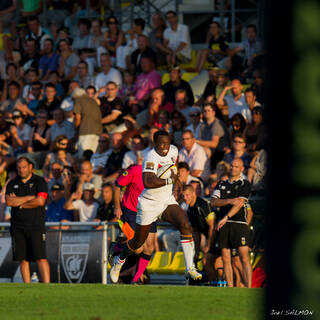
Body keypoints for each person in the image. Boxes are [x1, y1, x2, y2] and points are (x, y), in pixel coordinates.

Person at [110, 130, 202, 283]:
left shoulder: (173, 150)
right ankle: (119, 260)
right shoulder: (150, 157)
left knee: (184, 224)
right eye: (161, 143)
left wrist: (176, 179)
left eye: (167, 142)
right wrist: (169, 182)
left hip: (166, 200)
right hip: (149, 204)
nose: (165, 146)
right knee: (137, 243)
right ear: (154, 144)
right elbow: (148, 182)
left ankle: (190, 268)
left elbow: (174, 165)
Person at [5, 156, 50, 283]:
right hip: (17, 227)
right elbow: (9, 201)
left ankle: (47, 285)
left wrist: (19, 203)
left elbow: (40, 201)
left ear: (30, 167)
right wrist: (30, 197)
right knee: (23, 259)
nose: (21, 170)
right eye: (19, 168)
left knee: (41, 257)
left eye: (24, 167)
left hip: (36, 226)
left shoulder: (40, 181)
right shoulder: (12, 183)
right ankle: (27, 285)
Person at [210, 158, 252, 287]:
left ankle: (249, 287)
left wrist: (226, 216)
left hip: (239, 223)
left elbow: (239, 203)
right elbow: (213, 202)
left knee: (244, 257)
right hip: (224, 225)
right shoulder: (221, 184)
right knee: (226, 258)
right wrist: (229, 201)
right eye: (232, 166)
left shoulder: (245, 183)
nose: (233, 168)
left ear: (241, 169)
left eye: (236, 166)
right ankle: (230, 287)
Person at [114, 162, 157, 284]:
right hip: (132, 211)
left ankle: (136, 279)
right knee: (138, 248)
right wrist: (117, 207)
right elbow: (117, 185)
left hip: (149, 212)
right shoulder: (134, 170)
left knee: (150, 248)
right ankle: (116, 247)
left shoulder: (160, 172)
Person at [183, 184, 215, 281]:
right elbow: (196, 232)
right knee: (195, 259)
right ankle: (207, 283)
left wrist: (208, 246)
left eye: (187, 195)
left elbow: (212, 227)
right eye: (183, 195)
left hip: (217, 236)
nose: (185, 198)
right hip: (208, 237)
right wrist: (196, 251)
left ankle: (214, 286)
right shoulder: (189, 209)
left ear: (194, 194)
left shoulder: (203, 205)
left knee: (207, 261)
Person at [73, 88, 102, 155]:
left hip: (86, 133)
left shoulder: (79, 100)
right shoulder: (93, 101)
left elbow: (77, 118)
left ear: (76, 96)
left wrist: (76, 130)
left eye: (73, 99)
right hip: (98, 133)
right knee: (94, 156)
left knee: (83, 156)